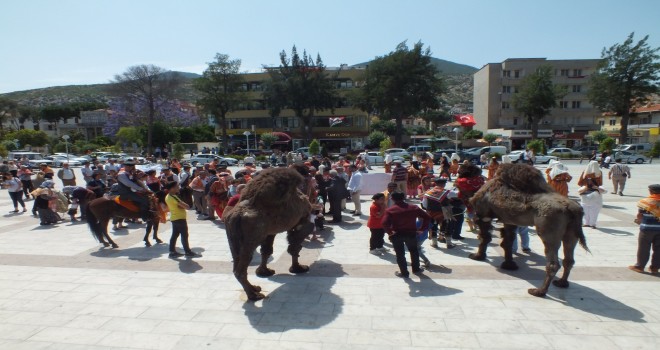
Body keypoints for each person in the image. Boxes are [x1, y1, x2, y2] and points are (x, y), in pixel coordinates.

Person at [382, 191, 431, 278]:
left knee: (400, 254)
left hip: (397, 235)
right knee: (414, 251)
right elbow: (427, 217)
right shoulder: (413, 208)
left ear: (392, 199)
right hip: (411, 234)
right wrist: (422, 229)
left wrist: (390, 232)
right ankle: (416, 269)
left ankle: (404, 273)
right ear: (404, 197)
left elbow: (384, 223)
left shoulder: (390, 210)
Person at [629, 184, 660, 274]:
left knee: (644, 248)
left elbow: (640, 215)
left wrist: (638, 221)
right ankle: (655, 268)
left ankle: (640, 266)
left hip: (647, 228)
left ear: (651, 191)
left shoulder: (645, 202)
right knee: (659, 249)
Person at [165, 182, 201, 258]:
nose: (178, 188)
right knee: (184, 235)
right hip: (179, 218)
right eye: (177, 187)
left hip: (174, 218)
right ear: (172, 188)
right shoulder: (174, 197)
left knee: (174, 235)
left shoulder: (168, 196)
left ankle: (172, 251)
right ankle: (187, 251)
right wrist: (184, 204)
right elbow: (187, 206)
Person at [422, 178, 452, 248]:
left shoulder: (428, 192)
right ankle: (448, 243)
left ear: (435, 184)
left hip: (432, 212)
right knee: (447, 225)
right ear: (444, 184)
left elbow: (424, 204)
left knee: (433, 226)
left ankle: (434, 243)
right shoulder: (448, 192)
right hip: (446, 211)